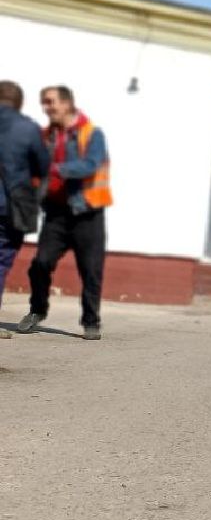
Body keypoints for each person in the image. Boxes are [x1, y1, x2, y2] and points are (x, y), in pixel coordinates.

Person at [16, 86, 111, 341]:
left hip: (87, 212)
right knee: (40, 264)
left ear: (67, 103)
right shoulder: (46, 135)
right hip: (56, 213)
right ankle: (37, 311)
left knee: (91, 270)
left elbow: (91, 164)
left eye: (51, 102)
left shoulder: (92, 134)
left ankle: (91, 321)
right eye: (44, 103)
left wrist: (55, 168)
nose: (47, 107)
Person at [0, 81, 50, 338]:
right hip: (10, 206)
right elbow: (43, 166)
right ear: (19, 103)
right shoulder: (28, 129)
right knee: (1, 259)